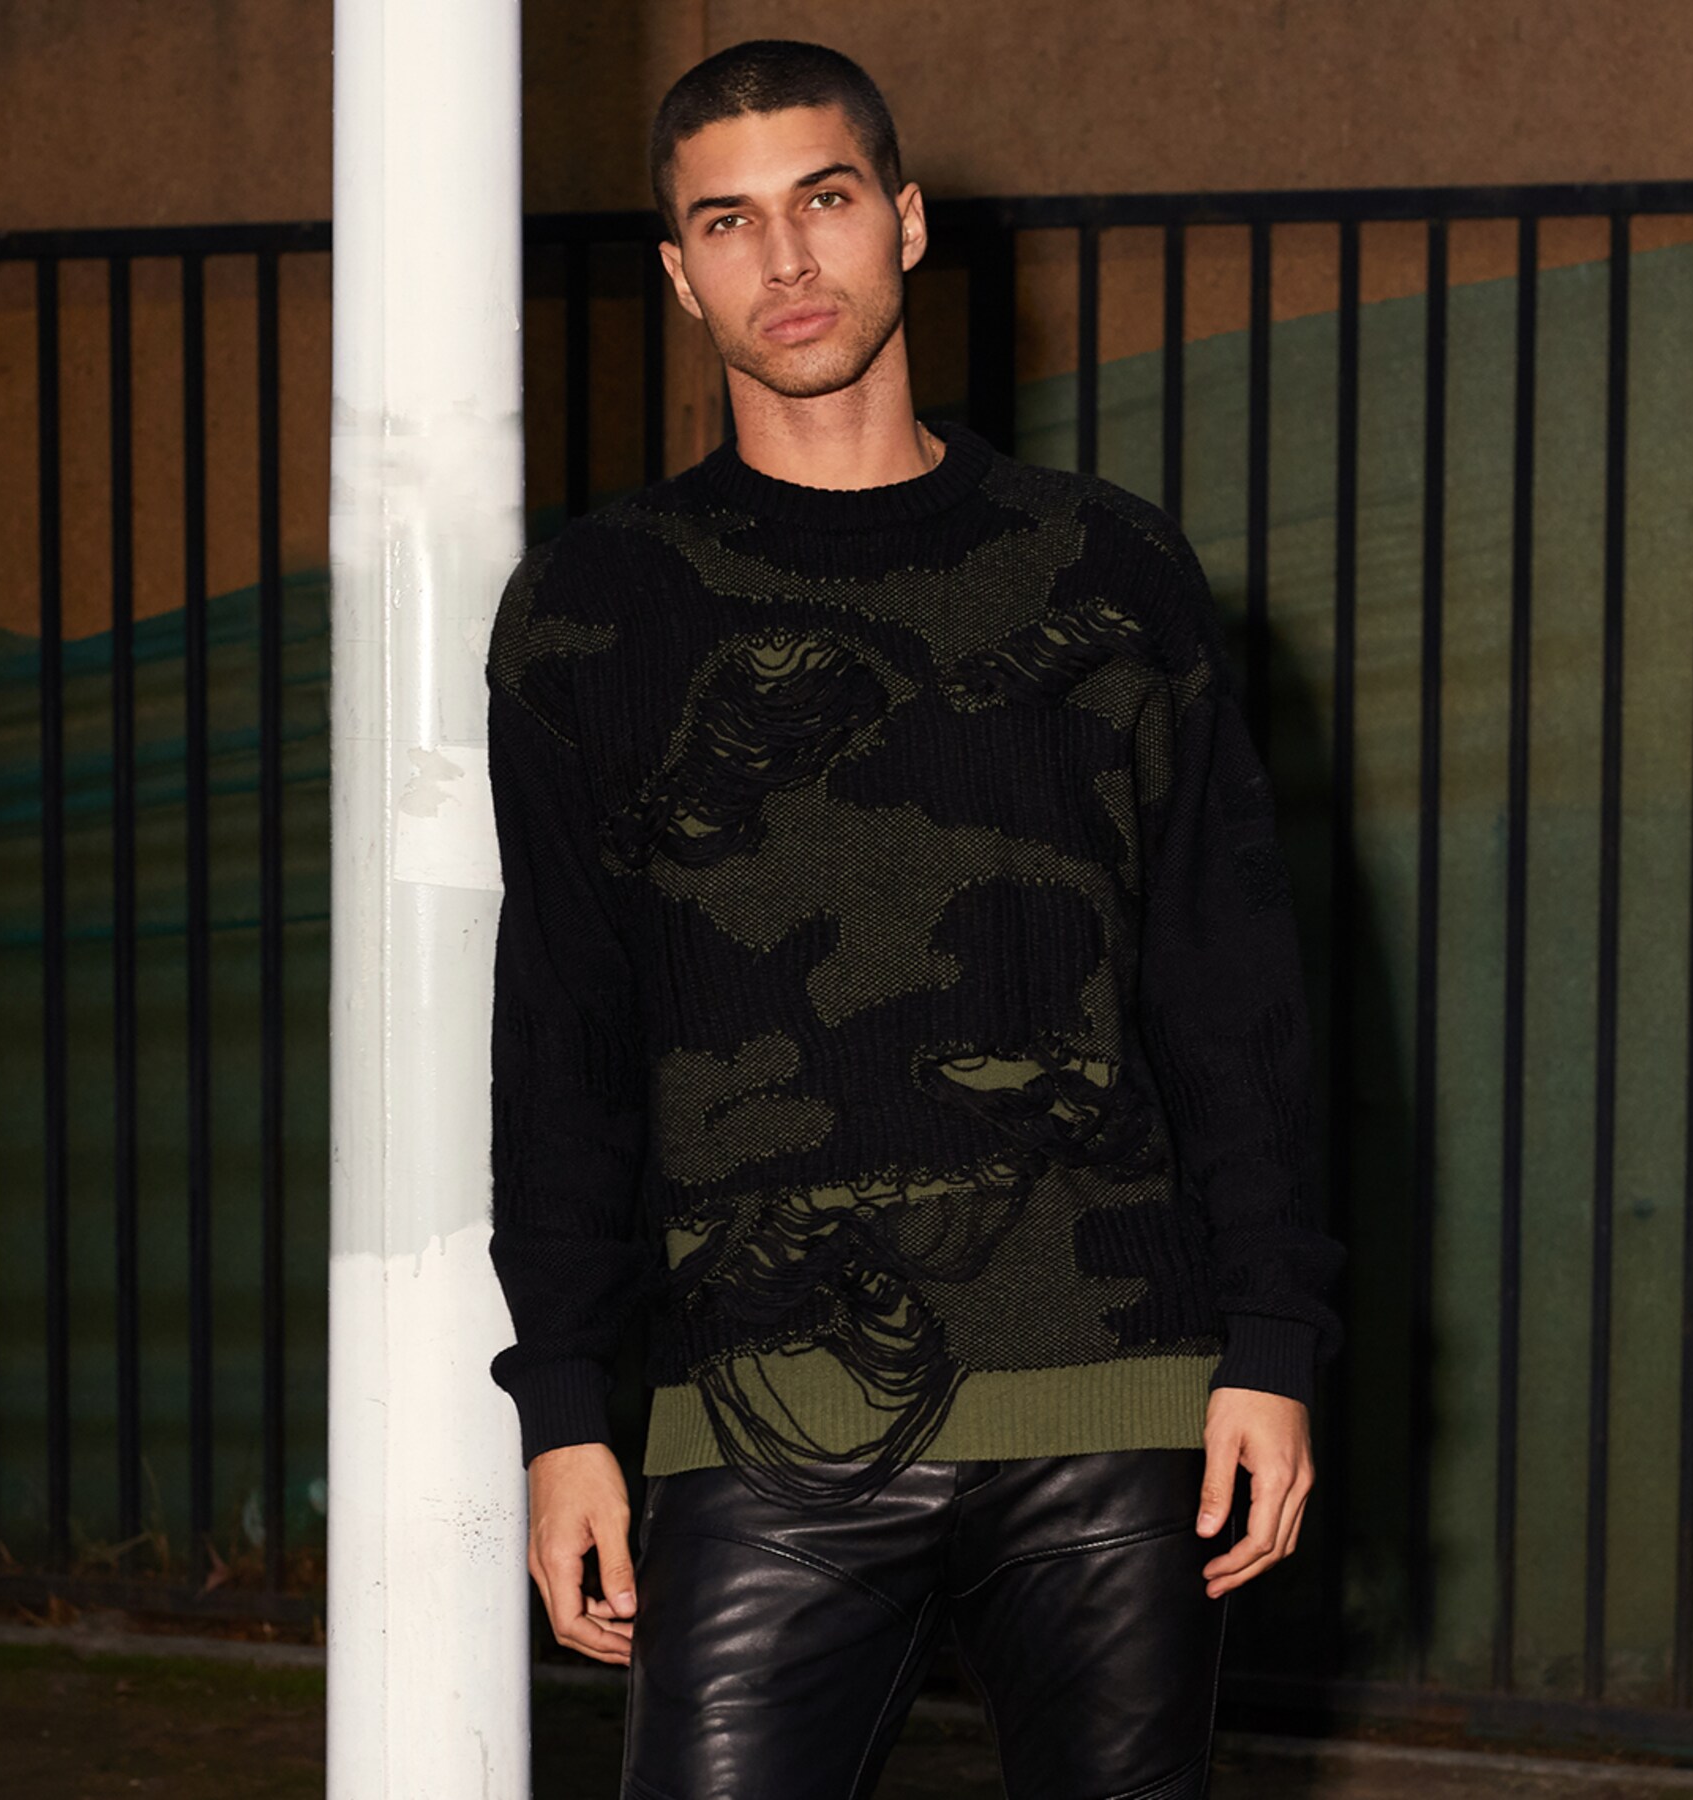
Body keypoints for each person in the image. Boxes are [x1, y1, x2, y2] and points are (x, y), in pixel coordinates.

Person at [483, 38, 1346, 1800]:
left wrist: (1274, 1340)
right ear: (679, 272)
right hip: (762, 1414)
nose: (785, 258)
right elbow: (566, 1028)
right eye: (728, 221)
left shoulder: (1106, 570)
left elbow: (1226, 981)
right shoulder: (593, 608)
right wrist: (564, 1408)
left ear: (907, 219)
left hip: (1112, 1393)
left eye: (823, 198)